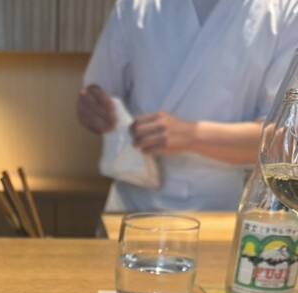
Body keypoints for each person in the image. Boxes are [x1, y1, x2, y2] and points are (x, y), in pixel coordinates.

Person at [77, 0, 298, 212]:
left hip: (226, 209)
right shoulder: (134, 5)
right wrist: (93, 111)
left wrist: (192, 135)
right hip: (132, 203)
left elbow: (283, 140)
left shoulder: (284, 11)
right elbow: (99, 95)